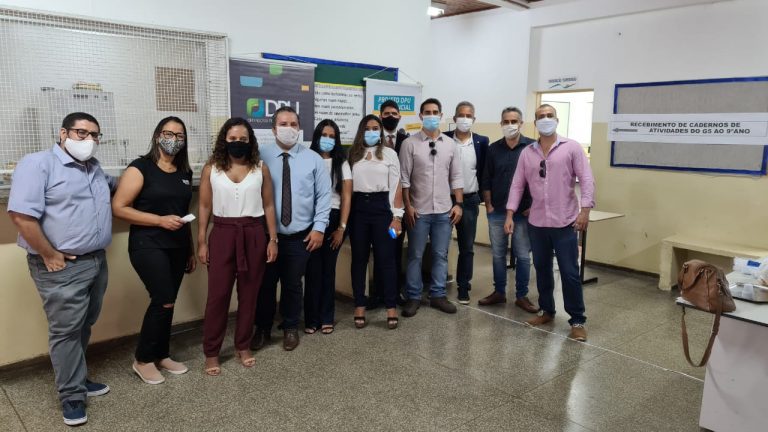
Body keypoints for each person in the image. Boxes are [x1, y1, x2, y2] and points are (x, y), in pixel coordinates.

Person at [8, 112, 115, 426]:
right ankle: (71, 395)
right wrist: (49, 253)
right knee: (66, 331)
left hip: (95, 261)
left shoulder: (94, 168)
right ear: (63, 133)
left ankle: (77, 379)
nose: (89, 140)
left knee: (83, 324)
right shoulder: (38, 164)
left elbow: (120, 186)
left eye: (95, 135)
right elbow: (21, 216)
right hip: (61, 266)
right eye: (82, 133)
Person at [112, 116, 196, 384]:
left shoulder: (184, 172)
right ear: (158, 135)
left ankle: (161, 354)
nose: (174, 140)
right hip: (148, 244)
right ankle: (143, 359)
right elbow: (119, 208)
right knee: (163, 299)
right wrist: (159, 220)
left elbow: (183, 214)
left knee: (168, 301)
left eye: (179, 136)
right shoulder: (140, 168)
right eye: (168, 134)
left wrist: (191, 250)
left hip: (178, 246)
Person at [505, 104, 595, 341]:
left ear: (556, 119)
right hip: (537, 222)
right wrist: (510, 214)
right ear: (535, 123)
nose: (545, 119)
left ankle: (577, 320)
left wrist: (585, 210)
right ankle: (547, 311)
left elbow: (586, 179)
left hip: (565, 221)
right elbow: (517, 185)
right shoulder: (528, 153)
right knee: (542, 269)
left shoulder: (571, 147)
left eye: (549, 116)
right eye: (540, 117)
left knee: (569, 272)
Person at [197, 118, 278, 376]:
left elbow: (268, 205)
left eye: (243, 139)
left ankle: (243, 345)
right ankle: (212, 352)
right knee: (217, 297)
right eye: (233, 139)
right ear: (225, 140)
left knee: (249, 295)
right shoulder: (211, 169)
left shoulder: (260, 168)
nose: (238, 143)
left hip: (253, 233)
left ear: (250, 141)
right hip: (222, 234)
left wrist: (272, 239)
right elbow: (204, 206)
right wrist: (201, 241)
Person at [253, 106, 331, 351]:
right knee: (264, 285)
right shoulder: (259, 156)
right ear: (273, 129)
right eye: (283, 124)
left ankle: (290, 327)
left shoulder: (313, 159)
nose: (289, 129)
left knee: (293, 285)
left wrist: (319, 228)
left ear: (300, 128)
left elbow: (324, 196)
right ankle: (262, 329)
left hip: (299, 237)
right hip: (267, 236)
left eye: (293, 124)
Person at [399, 98, 464, 317]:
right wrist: (407, 206)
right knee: (415, 255)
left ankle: (438, 295)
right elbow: (404, 179)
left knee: (440, 255)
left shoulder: (450, 144)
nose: (431, 116)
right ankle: (414, 296)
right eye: (427, 112)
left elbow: (456, 177)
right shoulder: (409, 144)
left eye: (435, 112)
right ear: (420, 116)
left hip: (444, 211)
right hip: (418, 210)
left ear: (441, 115)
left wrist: (459, 204)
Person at [478, 107, 538, 313]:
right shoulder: (493, 149)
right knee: (498, 255)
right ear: (501, 124)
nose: (510, 125)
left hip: (523, 212)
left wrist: (533, 205)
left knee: (523, 255)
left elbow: (540, 180)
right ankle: (499, 292)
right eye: (506, 121)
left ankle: (522, 295)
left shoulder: (532, 147)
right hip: (497, 210)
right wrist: (488, 205)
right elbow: (486, 179)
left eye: (514, 121)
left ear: (521, 123)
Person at [347, 115, 404, 329]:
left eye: (375, 128)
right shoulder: (352, 154)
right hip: (358, 210)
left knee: (386, 259)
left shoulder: (390, 154)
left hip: (383, 211)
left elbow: (396, 186)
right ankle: (359, 305)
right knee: (359, 260)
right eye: (367, 128)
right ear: (361, 131)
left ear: (380, 131)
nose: (371, 132)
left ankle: (391, 307)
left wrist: (397, 217)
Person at [304, 119, 351, 335]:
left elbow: (347, 197)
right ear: (316, 136)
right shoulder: (307, 159)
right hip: (310, 220)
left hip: (334, 218)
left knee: (328, 270)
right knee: (312, 271)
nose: (328, 140)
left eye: (332, 136)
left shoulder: (342, 163)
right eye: (324, 135)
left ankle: (326, 317)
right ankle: (311, 319)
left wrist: (341, 227)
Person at [444, 101, 489, 304]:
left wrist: (484, 199)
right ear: (454, 118)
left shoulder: (481, 142)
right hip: (444, 200)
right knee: (441, 246)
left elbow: (484, 171)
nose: (465, 119)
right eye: (461, 115)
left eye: (468, 116)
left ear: (474, 119)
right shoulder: (444, 138)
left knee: (467, 247)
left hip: (470, 200)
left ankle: (463, 286)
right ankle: (438, 286)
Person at [367, 99, 409, 309]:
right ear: (380, 116)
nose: (390, 117)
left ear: (399, 116)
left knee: (394, 249)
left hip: (398, 208)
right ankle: (377, 293)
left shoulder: (406, 140)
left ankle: (394, 292)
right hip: (379, 208)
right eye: (386, 113)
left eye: (394, 113)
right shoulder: (372, 139)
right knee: (379, 250)